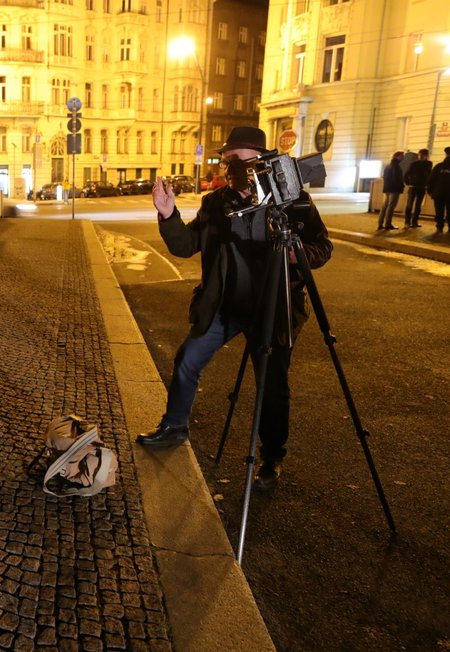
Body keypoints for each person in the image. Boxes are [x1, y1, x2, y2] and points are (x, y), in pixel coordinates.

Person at [137, 126, 333, 491]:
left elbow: (322, 247)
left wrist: (298, 254)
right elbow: (185, 245)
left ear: (261, 161)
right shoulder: (217, 203)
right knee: (187, 360)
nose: (231, 170)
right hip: (223, 308)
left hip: (273, 311)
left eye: (238, 161)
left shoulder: (292, 201)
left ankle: (272, 456)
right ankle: (174, 426)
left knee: (272, 388)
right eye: (227, 162)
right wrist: (168, 215)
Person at [403, 149, 431, 228]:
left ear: (426, 156)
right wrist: (408, 183)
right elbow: (406, 174)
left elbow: (429, 175)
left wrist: (427, 184)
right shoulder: (414, 164)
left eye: (422, 155)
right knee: (409, 205)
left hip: (422, 187)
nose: (420, 157)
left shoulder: (429, 164)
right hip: (413, 187)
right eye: (419, 155)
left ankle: (415, 222)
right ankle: (407, 222)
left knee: (418, 206)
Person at [378, 151, 404, 230]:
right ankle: (388, 224)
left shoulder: (388, 165)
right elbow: (396, 178)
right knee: (391, 206)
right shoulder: (396, 166)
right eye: (402, 156)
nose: (403, 158)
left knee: (384, 206)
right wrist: (401, 186)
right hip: (394, 189)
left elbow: (385, 177)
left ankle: (380, 223)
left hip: (387, 188)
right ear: (397, 156)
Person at [427, 146, 450, 233]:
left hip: (438, 193)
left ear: (446, 154)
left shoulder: (438, 166)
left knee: (439, 210)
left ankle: (439, 227)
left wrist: (430, 191)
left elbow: (431, 180)